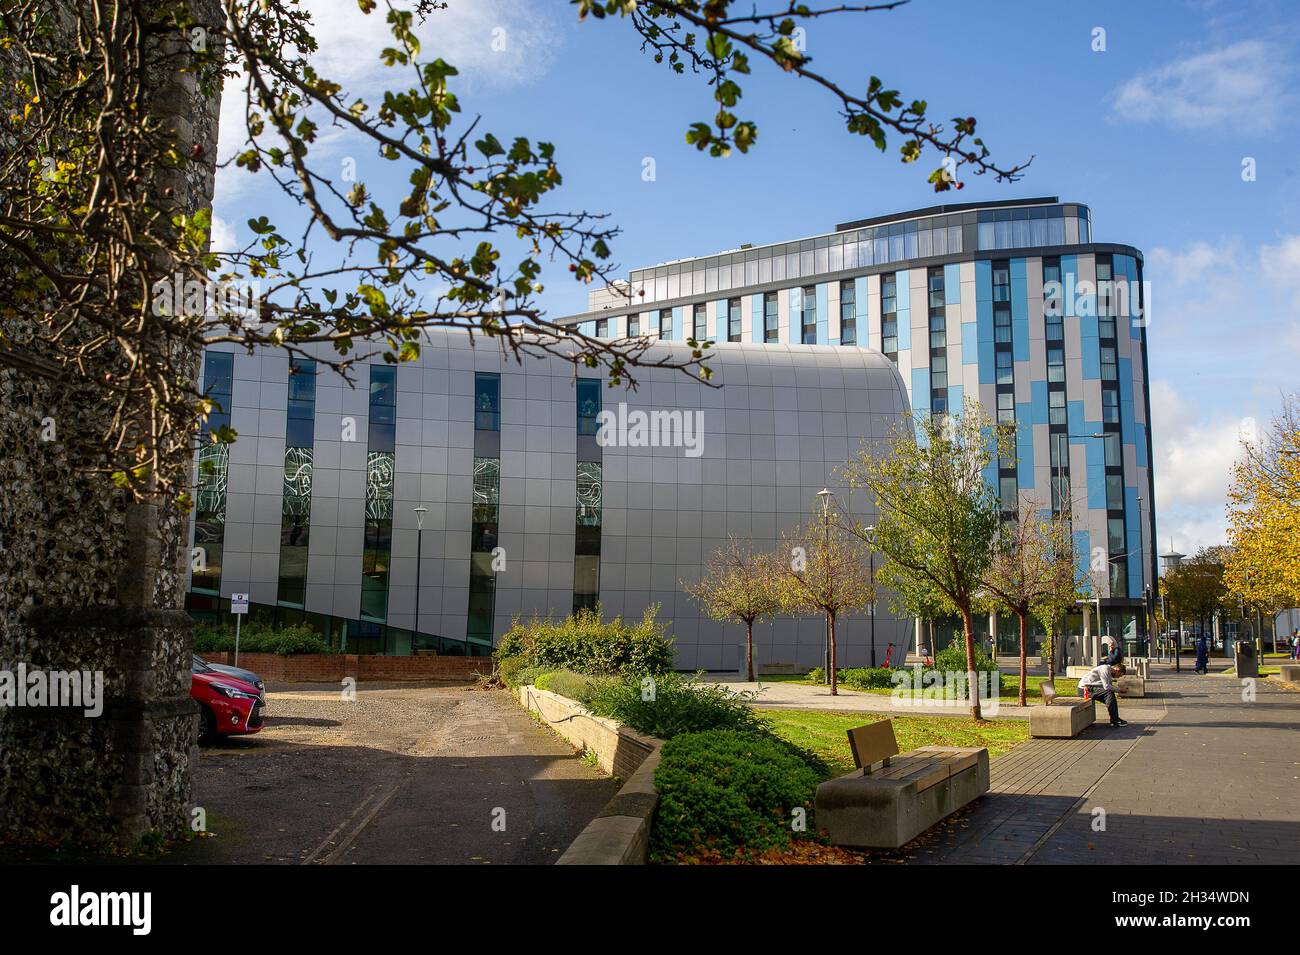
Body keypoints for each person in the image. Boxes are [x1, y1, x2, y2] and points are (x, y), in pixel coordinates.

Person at [1079, 661, 1128, 727]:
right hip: (1085, 689)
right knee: (1109, 694)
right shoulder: (1105, 669)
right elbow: (1106, 686)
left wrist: (1117, 690)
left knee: (1110, 696)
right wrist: (1120, 690)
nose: (1118, 677)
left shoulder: (1109, 673)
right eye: (1119, 675)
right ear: (1117, 670)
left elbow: (1109, 686)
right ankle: (1115, 720)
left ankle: (1115, 718)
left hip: (1091, 689)